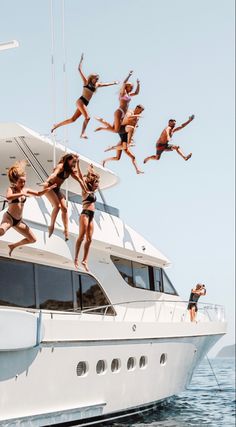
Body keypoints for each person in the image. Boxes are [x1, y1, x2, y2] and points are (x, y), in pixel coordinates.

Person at [51, 53, 119, 139]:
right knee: (88, 117)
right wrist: (81, 60)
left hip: (85, 103)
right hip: (81, 101)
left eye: (98, 79)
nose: (97, 80)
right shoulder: (86, 82)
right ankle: (82, 134)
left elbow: (105, 84)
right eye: (96, 79)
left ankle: (56, 126)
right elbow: (79, 69)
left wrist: (114, 83)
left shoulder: (96, 85)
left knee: (73, 119)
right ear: (92, 78)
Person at [0, 160, 56, 256]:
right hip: (9, 218)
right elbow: (8, 197)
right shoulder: (11, 189)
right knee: (1, 231)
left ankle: (13, 245)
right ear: (15, 181)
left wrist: (48, 189)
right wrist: (21, 193)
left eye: (24, 181)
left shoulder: (25, 190)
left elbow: (38, 194)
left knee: (32, 239)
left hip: (18, 221)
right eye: (21, 181)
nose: (23, 184)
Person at [44, 153, 86, 240]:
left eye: (75, 162)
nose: (74, 163)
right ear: (68, 160)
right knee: (57, 206)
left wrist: (85, 190)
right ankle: (51, 226)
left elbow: (80, 180)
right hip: (49, 186)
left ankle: (66, 230)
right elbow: (54, 174)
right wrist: (47, 180)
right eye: (73, 161)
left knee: (65, 208)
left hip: (57, 189)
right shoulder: (61, 166)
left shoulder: (70, 170)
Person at [102, 105, 144, 174]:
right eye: (141, 110)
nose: (141, 112)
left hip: (125, 136)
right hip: (122, 130)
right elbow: (127, 118)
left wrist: (135, 125)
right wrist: (135, 118)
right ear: (137, 108)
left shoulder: (137, 118)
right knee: (126, 149)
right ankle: (112, 147)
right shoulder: (130, 112)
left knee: (119, 158)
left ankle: (104, 160)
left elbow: (133, 128)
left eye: (142, 111)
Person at [74, 160, 100, 271]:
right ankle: (75, 258)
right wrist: (78, 165)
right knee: (82, 236)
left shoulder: (93, 192)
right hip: (85, 214)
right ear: (92, 183)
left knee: (89, 239)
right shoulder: (85, 190)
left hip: (92, 216)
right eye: (96, 184)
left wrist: (91, 169)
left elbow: (93, 177)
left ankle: (84, 260)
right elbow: (80, 177)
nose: (97, 187)